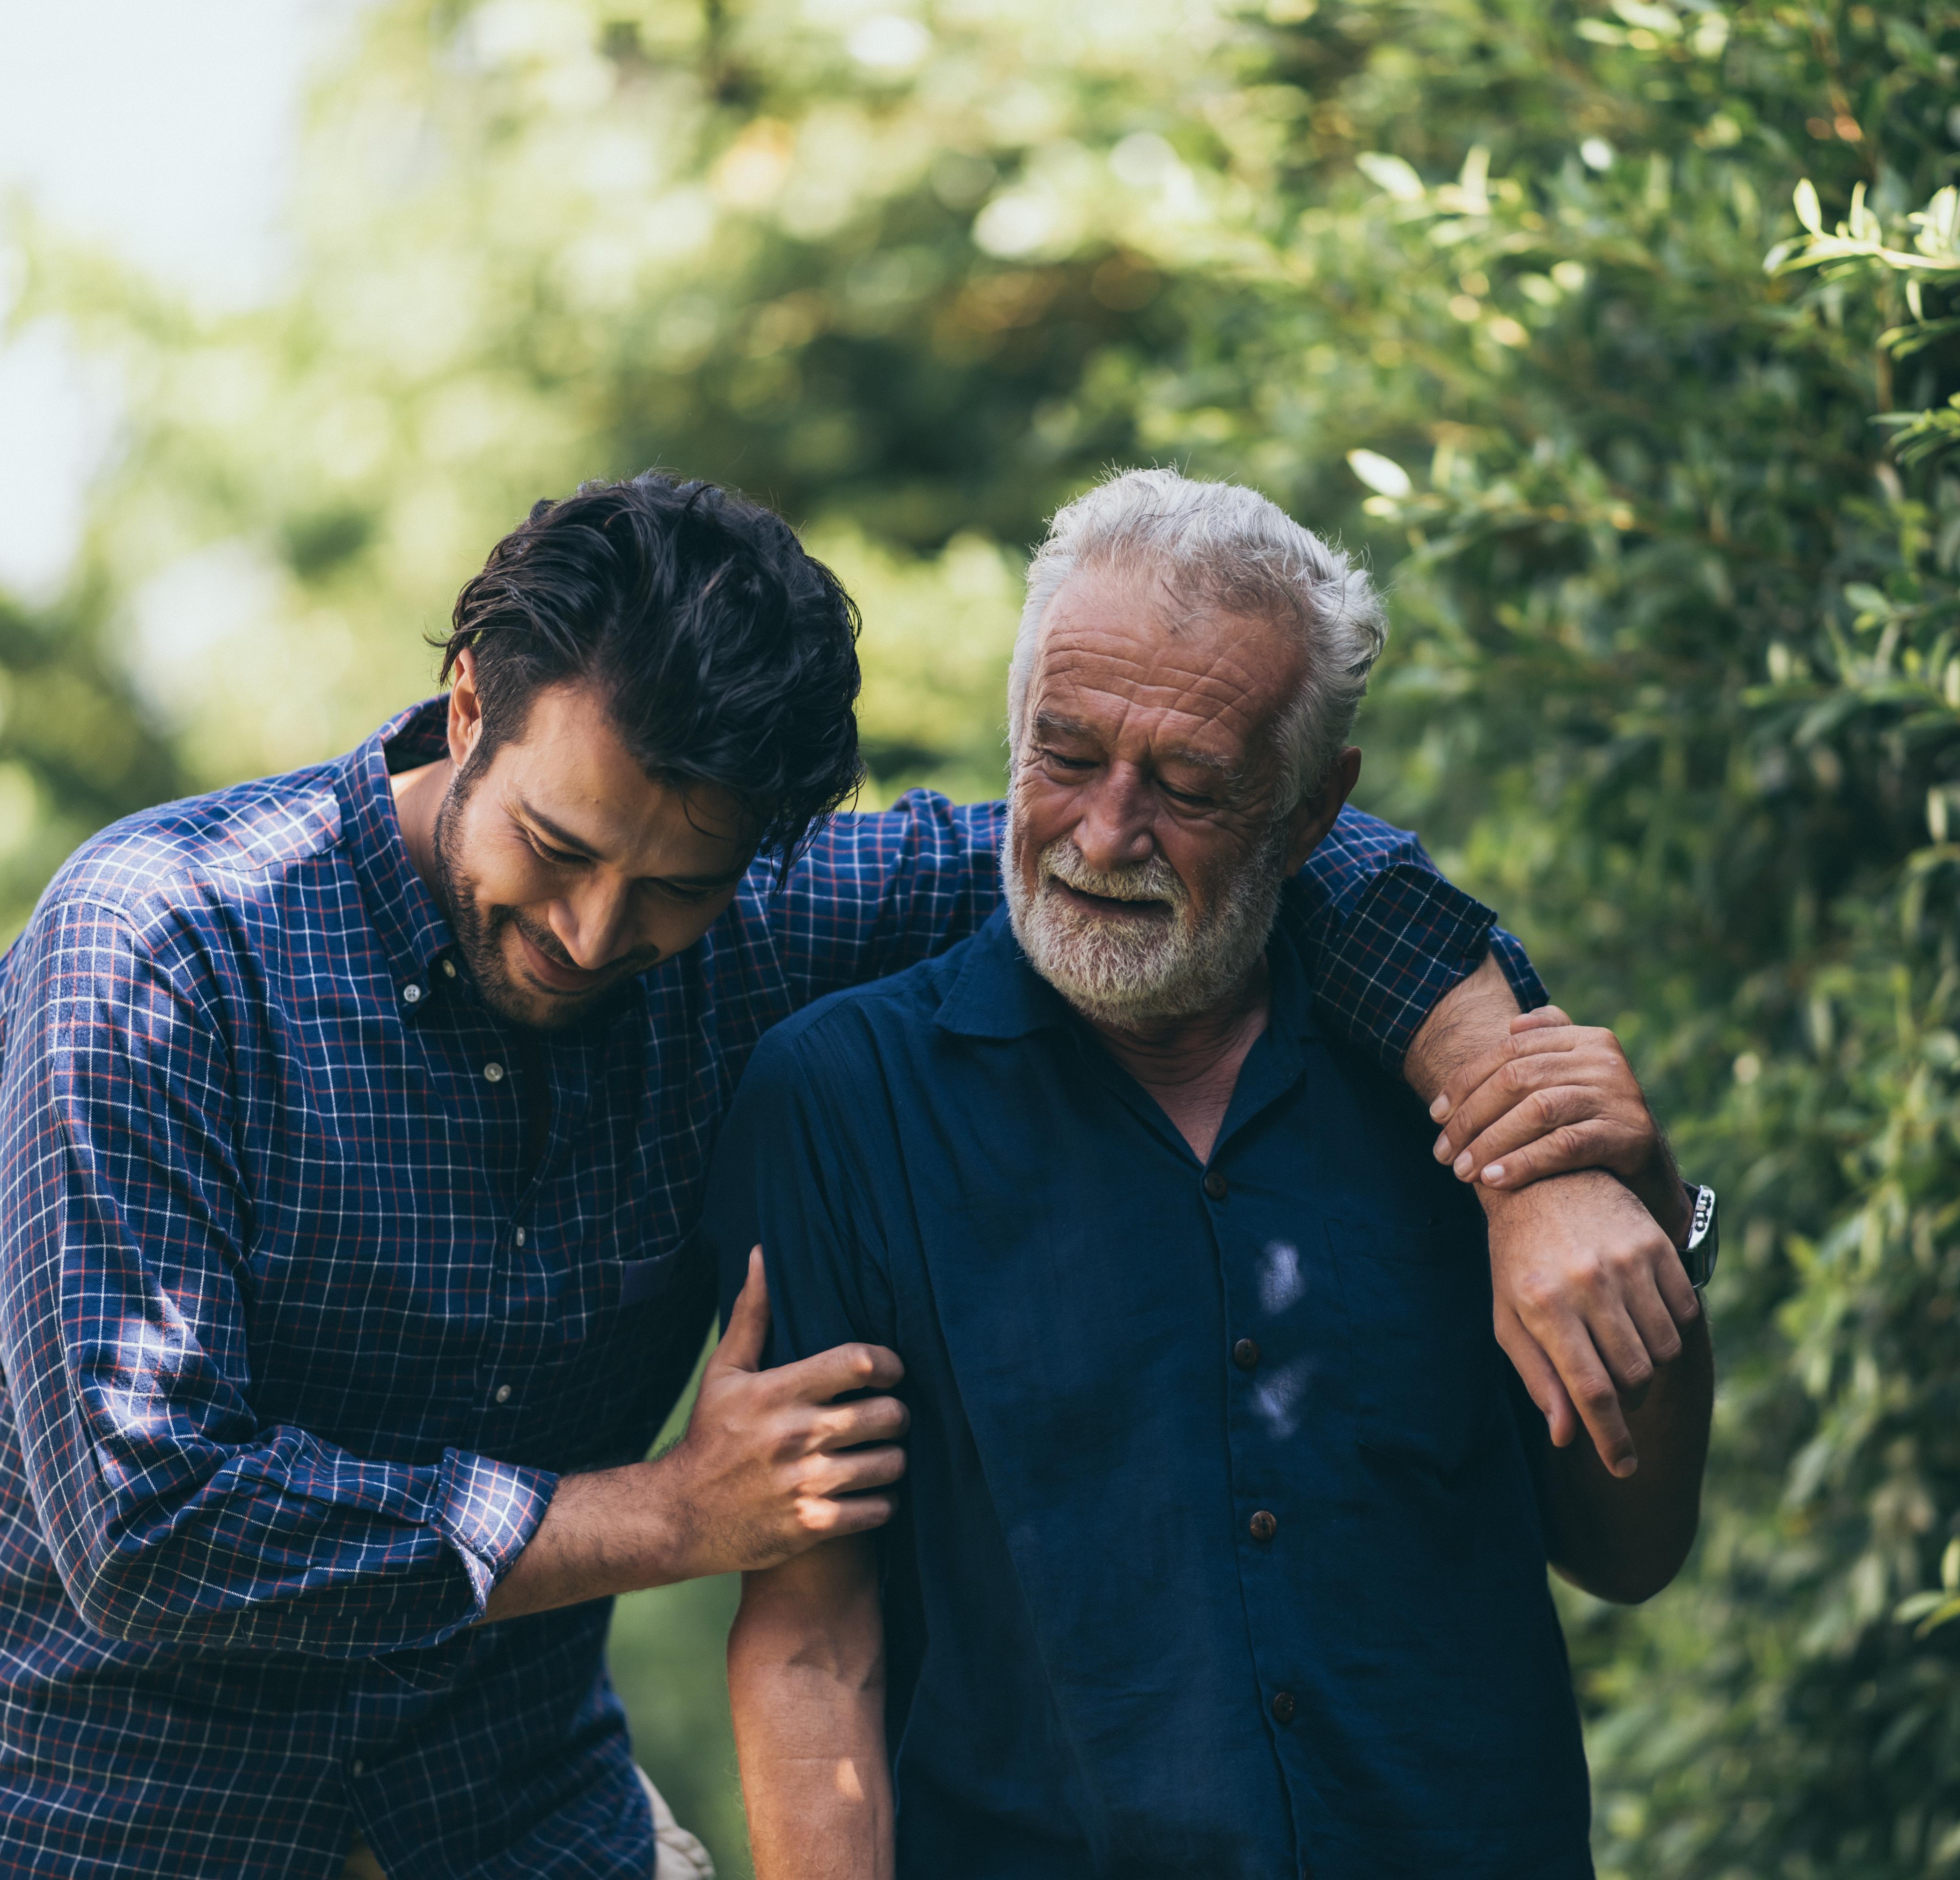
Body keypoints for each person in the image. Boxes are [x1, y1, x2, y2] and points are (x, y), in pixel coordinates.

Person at [0, 474, 1693, 1879]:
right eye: (557, 847)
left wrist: (1518, 1129)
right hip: (99, 1824)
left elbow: (1276, 852)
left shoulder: (763, 919)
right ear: (465, 709)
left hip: (506, 1824)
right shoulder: (157, 957)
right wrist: (673, 1515)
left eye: (673, 888)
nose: (597, 932)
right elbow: (147, 1522)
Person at [713, 469, 1718, 1879]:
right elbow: (819, 1639)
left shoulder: (1469, 1082)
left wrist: (1643, 1214)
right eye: (1063, 757)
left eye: (1188, 788)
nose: (1105, 836)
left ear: (1313, 815)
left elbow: (1629, 1550)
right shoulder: (842, 1099)